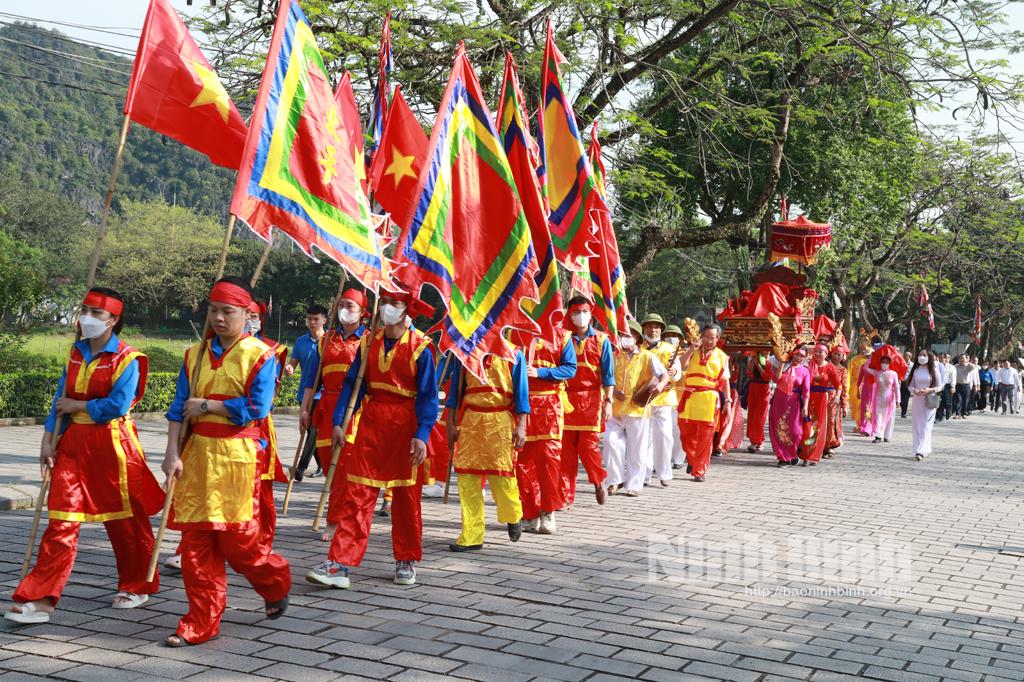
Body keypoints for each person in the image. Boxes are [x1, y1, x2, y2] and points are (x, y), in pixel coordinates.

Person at [6, 288, 164, 625]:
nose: (87, 318)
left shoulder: (128, 358)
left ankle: (137, 584)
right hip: (73, 445)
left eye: (96, 312)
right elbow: (58, 401)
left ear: (114, 320)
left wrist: (79, 406)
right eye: (85, 310)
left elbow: (118, 405)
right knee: (61, 520)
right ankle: (40, 597)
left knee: (125, 519)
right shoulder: (74, 353)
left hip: (114, 447)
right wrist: (48, 438)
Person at [161, 277, 291, 646]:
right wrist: (171, 453)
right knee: (196, 543)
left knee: (241, 545)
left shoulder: (261, 355)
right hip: (198, 455)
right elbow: (177, 409)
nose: (218, 318)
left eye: (227, 311)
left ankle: (275, 581)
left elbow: (256, 408)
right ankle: (199, 622)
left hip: (238, 457)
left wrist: (209, 405)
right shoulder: (194, 354)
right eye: (213, 310)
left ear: (246, 313)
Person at [306, 289, 437, 589]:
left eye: (395, 304)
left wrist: (422, 434)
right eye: (385, 302)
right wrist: (340, 421)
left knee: (405, 498)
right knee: (357, 494)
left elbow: (428, 397)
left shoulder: (422, 347)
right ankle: (340, 563)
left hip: (406, 425)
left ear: (407, 309)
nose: (388, 308)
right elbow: (353, 385)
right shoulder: (369, 342)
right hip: (372, 423)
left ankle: (406, 558)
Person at [298, 290, 367, 540]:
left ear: (363, 311)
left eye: (350, 305)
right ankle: (342, 513)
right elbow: (312, 379)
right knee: (330, 466)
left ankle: (336, 519)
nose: (344, 309)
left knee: (346, 466)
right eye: (342, 304)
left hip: (355, 409)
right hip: (327, 406)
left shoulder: (369, 340)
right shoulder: (325, 339)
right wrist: (305, 409)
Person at [447, 343, 529, 550]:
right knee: (467, 479)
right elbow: (455, 393)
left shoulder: (514, 353)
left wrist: (521, 425)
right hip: (471, 421)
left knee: (502, 477)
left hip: (500, 420)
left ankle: (513, 515)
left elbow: (521, 394)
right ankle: (472, 536)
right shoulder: (464, 353)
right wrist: (450, 422)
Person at [517, 325, 576, 532]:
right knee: (521, 463)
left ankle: (548, 511)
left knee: (548, 462)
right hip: (521, 406)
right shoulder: (515, 331)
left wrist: (540, 372)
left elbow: (570, 368)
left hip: (550, 405)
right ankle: (529, 512)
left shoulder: (563, 337)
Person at [560, 296, 613, 510]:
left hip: (591, 399)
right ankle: (565, 496)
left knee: (589, 447)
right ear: (569, 315)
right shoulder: (564, 338)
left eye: (583, 311)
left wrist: (608, 401)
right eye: (575, 312)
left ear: (590, 314)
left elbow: (608, 375)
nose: (579, 316)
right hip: (566, 398)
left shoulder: (602, 340)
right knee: (566, 451)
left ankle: (598, 481)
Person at [604, 320, 667, 496]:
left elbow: (664, 375)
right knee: (610, 442)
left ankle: (634, 484)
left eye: (628, 335)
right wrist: (613, 392)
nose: (624, 338)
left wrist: (660, 386)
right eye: (622, 334)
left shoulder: (647, 356)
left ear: (636, 337)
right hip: (615, 408)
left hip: (638, 408)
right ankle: (615, 480)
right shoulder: (613, 354)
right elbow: (603, 377)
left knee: (637, 449)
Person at [246, 300, 289, 550]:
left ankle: (262, 540)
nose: (251, 320)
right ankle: (189, 547)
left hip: (258, 424)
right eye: (247, 314)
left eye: (255, 315)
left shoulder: (273, 350)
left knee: (261, 487)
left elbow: (266, 397)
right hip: (216, 427)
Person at [676, 324, 730, 482]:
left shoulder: (722, 356)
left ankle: (699, 470)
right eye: (706, 336)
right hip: (690, 397)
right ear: (701, 336)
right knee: (685, 434)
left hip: (709, 399)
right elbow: (681, 365)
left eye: (712, 338)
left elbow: (725, 381)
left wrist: (728, 400)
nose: (708, 340)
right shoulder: (692, 351)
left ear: (717, 339)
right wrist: (691, 349)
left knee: (706, 438)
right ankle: (692, 460)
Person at [640, 314, 681, 486]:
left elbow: (678, 373)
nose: (653, 330)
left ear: (661, 330)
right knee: (644, 438)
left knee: (665, 437)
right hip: (643, 399)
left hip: (664, 398)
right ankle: (645, 474)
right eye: (650, 326)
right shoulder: (638, 348)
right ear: (644, 328)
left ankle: (664, 473)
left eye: (657, 327)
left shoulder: (670, 349)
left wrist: (673, 373)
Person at [291, 303, 328, 479]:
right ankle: (323, 465)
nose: (312, 322)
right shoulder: (300, 342)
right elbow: (293, 362)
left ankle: (300, 468)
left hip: (323, 393)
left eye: (316, 319)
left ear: (324, 320)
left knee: (315, 430)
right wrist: (289, 369)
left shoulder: (330, 340)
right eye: (309, 319)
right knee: (309, 430)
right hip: (304, 393)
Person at [800, 344, 842, 466]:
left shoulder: (830, 367)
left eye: (820, 352)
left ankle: (814, 455)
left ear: (826, 354)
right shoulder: (807, 365)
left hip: (822, 399)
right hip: (808, 398)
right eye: (816, 351)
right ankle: (805, 453)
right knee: (807, 426)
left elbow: (838, 385)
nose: (817, 354)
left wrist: (838, 397)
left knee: (818, 427)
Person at [768, 345, 810, 467]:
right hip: (779, 402)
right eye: (797, 354)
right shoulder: (784, 366)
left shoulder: (805, 371)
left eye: (802, 356)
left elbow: (806, 391)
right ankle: (782, 457)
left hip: (794, 403)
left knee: (796, 431)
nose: (799, 357)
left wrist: (805, 406)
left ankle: (793, 452)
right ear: (792, 354)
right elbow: (776, 379)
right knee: (778, 429)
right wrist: (782, 362)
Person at [908, 351, 942, 461]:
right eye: (920, 355)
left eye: (924, 355)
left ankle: (921, 451)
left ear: (929, 357)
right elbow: (910, 385)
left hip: (929, 400)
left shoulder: (934, 371)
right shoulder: (916, 370)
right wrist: (915, 391)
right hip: (917, 400)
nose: (922, 357)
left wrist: (930, 390)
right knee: (918, 425)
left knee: (926, 426)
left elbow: (940, 386)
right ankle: (920, 448)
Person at [662, 325, 687, 468]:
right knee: (665, 431)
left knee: (678, 430)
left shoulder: (685, 353)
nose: (671, 338)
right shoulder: (659, 352)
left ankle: (678, 458)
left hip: (682, 397)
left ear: (680, 339)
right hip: (663, 397)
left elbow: (684, 366)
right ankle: (663, 459)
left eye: (675, 335)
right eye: (668, 335)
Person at [863, 355, 899, 443]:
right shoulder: (877, 372)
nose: (884, 364)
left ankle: (887, 436)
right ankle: (878, 435)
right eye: (883, 362)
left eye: (887, 362)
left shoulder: (894, 374)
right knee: (878, 416)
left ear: (890, 363)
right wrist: (871, 358)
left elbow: (896, 387)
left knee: (889, 417)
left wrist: (898, 399)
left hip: (890, 398)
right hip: (879, 397)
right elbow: (865, 367)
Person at [745, 352, 773, 452]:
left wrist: (758, 365)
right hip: (753, 388)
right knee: (752, 416)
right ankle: (756, 441)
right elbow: (748, 373)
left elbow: (767, 377)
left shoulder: (770, 362)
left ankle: (756, 441)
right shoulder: (753, 359)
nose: (766, 352)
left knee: (760, 417)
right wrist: (753, 362)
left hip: (764, 389)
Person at [824, 348, 848, 458]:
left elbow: (844, 387)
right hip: (821, 395)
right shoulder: (824, 365)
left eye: (839, 355)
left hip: (834, 398)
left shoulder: (843, 370)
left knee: (831, 422)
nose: (836, 357)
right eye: (834, 354)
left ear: (843, 357)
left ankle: (829, 445)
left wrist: (844, 405)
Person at [953, 354, 973, 419]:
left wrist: (968, 362)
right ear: (959, 359)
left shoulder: (968, 366)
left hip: (966, 386)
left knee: (965, 400)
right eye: (961, 358)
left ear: (966, 359)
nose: (962, 360)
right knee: (958, 399)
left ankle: (963, 413)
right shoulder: (956, 366)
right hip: (958, 385)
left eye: (963, 358)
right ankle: (957, 414)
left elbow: (973, 367)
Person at [937, 353, 955, 422]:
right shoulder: (936, 366)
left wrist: (953, 386)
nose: (941, 359)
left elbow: (953, 377)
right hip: (938, 385)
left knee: (947, 401)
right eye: (940, 358)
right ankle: (939, 415)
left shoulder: (951, 367)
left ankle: (948, 414)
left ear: (945, 358)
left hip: (948, 385)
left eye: (943, 358)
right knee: (939, 401)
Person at [899, 351, 913, 418]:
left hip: (908, 383)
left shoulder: (912, 365)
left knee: (906, 398)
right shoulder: (901, 363)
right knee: (901, 397)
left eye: (906, 355)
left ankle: (904, 413)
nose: (904, 356)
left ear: (910, 357)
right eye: (904, 355)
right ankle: (901, 405)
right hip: (901, 382)